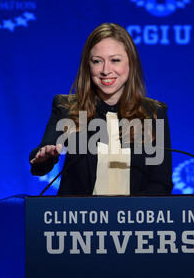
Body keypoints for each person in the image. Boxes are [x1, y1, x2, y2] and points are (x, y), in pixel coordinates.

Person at [29, 22, 172, 195]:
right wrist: (44, 157)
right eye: (97, 61)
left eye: (115, 60)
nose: (106, 70)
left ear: (130, 64)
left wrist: (132, 216)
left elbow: (161, 182)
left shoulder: (153, 113)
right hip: (78, 218)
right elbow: (42, 159)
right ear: (87, 66)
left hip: (135, 219)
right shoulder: (67, 108)